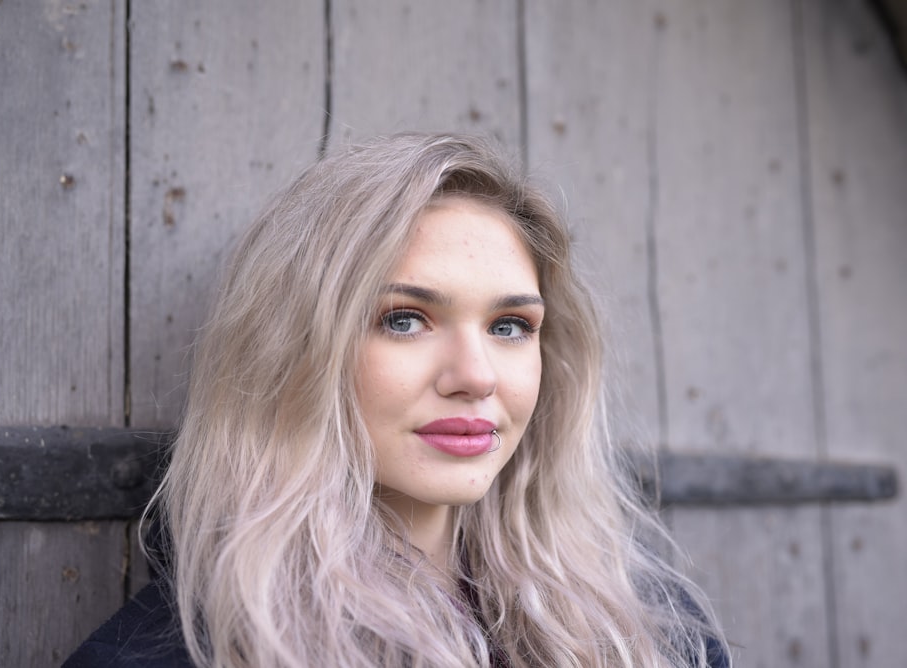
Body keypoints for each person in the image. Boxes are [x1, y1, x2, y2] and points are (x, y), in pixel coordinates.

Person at [65, 132, 730, 667]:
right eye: (404, 319)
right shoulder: (170, 655)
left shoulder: (650, 639)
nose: (475, 376)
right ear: (295, 353)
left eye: (509, 327)